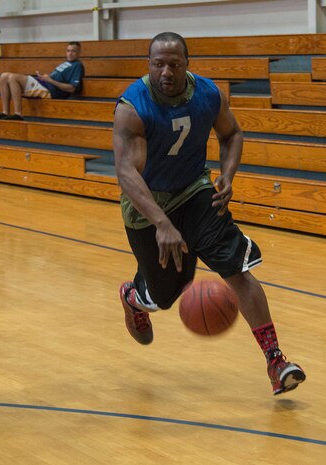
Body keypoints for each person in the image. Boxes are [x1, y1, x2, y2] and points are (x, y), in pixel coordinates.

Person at [113, 32, 306, 396]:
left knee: (235, 266)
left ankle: (276, 360)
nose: (166, 72)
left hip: (196, 191)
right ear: (148, 65)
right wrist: (162, 223)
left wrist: (227, 175)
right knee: (168, 293)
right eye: (158, 65)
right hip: (148, 207)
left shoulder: (207, 93)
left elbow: (232, 133)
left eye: (174, 64)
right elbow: (126, 173)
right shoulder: (132, 107)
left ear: (187, 63)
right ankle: (133, 297)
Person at [0, 42, 84, 121]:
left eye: (73, 51)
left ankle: (18, 114)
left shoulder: (77, 65)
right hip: (44, 83)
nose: (70, 53)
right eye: (68, 51)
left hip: (49, 90)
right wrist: (45, 77)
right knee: (3, 76)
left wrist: (50, 80)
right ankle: (5, 112)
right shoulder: (66, 63)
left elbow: (72, 88)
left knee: (13, 77)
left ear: (79, 53)